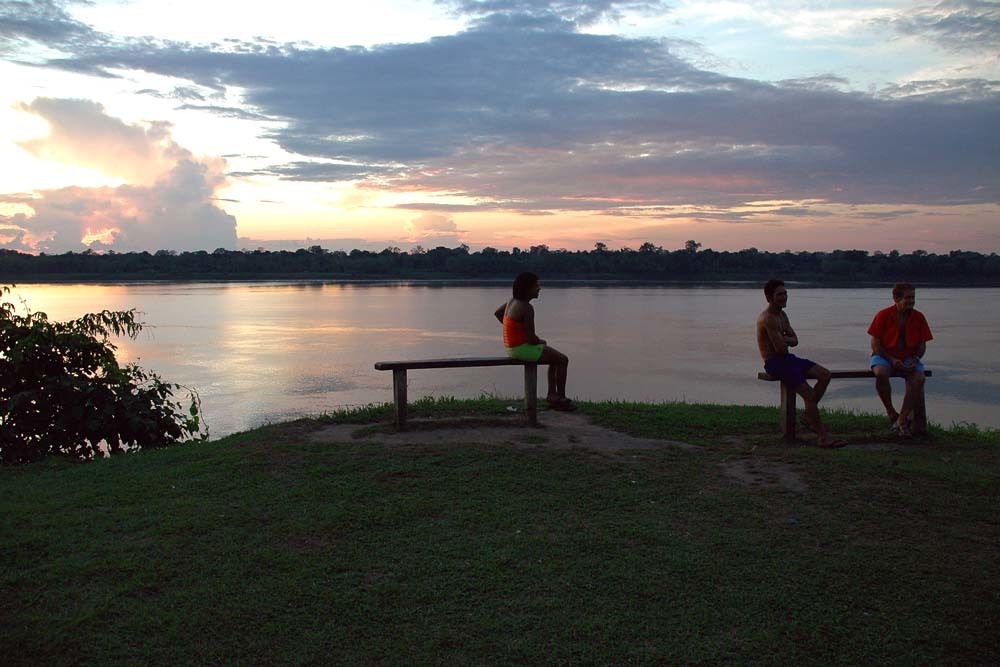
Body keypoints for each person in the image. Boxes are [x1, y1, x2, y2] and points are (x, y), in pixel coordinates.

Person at [756, 279, 843, 447]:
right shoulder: (767, 318)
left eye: (785, 293)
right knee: (809, 395)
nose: (784, 297)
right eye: (779, 294)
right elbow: (780, 350)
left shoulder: (782, 315)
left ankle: (808, 414)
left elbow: (795, 341)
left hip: (788, 359)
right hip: (775, 363)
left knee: (825, 375)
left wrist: (783, 339)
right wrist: (785, 339)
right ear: (769, 297)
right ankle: (823, 437)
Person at [494, 272, 574, 411]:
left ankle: (552, 395)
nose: (539, 288)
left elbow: (498, 313)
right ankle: (560, 398)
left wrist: (512, 330)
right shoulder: (527, 308)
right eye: (536, 286)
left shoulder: (512, 301)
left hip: (511, 348)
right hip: (521, 349)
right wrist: (541, 341)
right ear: (527, 289)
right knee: (563, 359)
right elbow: (531, 339)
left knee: (554, 358)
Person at [867, 282, 933, 437]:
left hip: (909, 357)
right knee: (881, 373)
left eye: (913, 298)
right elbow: (875, 344)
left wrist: (915, 359)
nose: (911, 301)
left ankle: (902, 419)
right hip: (884, 355)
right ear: (896, 298)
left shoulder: (919, 317)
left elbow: (922, 345)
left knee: (919, 379)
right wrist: (892, 360)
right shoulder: (883, 315)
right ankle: (891, 412)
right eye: (908, 298)